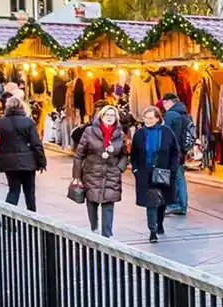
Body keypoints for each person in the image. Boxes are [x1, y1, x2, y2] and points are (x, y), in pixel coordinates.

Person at [72, 106, 126, 237]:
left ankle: (107, 235)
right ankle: (94, 228)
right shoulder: (89, 131)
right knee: (92, 201)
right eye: (107, 114)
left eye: (112, 115)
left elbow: (124, 154)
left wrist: (119, 168)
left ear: (116, 118)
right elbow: (79, 155)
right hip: (92, 172)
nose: (109, 117)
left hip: (112, 173)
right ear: (101, 116)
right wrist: (76, 176)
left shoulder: (120, 134)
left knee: (108, 203)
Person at [132, 106, 181, 243]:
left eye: (151, 118)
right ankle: (152, 230)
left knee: (162, 201)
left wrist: (173, 169)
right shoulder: (139, 134)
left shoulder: (166, 132)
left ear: (158, 119)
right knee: (151, 202)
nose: (148, 121)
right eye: (146, 118)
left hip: (163, 171)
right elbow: (134, 154)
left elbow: (175, 152)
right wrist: (135, 170)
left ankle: (160, 223)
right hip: (145, 173)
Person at [0, 96, 47, 212]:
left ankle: (8, 219)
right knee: (30, 193)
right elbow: (36, 144)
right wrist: (42, 162)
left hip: (9, 163)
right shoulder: (28, 122)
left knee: (13, 190)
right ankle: (32, 219)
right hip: (28, 162)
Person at [160, 93, 193, 216]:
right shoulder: (185, 113)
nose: (163, 106)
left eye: (164, 103)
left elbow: (166, 134)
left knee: (174, 178)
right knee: (180, 177)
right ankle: (182, 205)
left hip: (172, 152)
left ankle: (174, 205)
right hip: (181, 151)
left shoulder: (170, 115)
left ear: (169, 102)